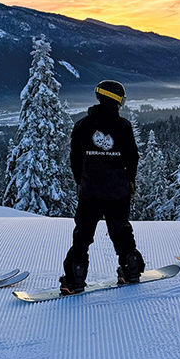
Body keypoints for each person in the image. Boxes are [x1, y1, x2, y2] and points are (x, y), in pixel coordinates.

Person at [59, 80, 144, 295]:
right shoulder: (123, 126)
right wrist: (130, 181)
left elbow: (75, 160)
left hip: (90, 192)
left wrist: (80, 182)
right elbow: (132, 157)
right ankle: (131, 269)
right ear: (117, 99)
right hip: (117, 192)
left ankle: (74, 279)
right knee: (121, 231)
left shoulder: (82, 126)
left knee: (82, 236)